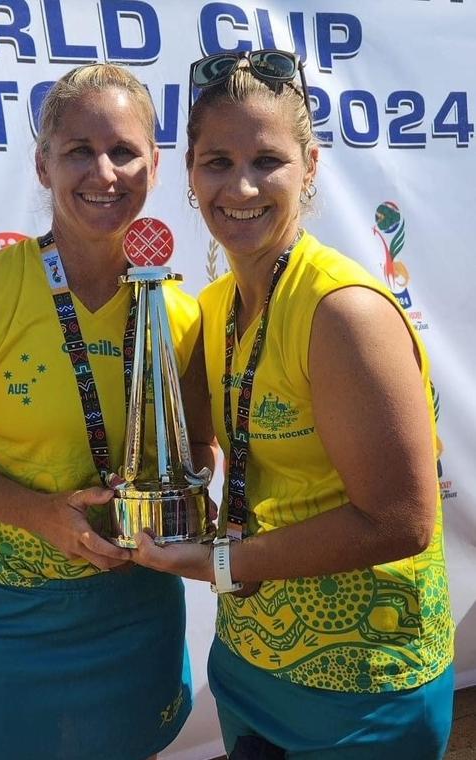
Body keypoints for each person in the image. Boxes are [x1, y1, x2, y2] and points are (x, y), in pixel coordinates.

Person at [132, 50, 455, 759]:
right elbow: (200, 450)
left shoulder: (343, 314)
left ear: (309, 166)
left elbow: (401, 521)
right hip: (249, 665)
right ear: (189, 172)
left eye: (267, 161)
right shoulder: (210, 309)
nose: (241, 186)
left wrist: (218, 562)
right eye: (216, 161)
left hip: (365, 688)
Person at [0, 63, 215, 760]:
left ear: (156, 166)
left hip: (136, 612)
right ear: (43, 165)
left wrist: (183, 500)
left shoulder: (178, 309)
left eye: (124, 151)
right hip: (5, 622)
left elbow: (198, 449)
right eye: (79, 150)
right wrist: (42, 515)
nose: (104, 172)